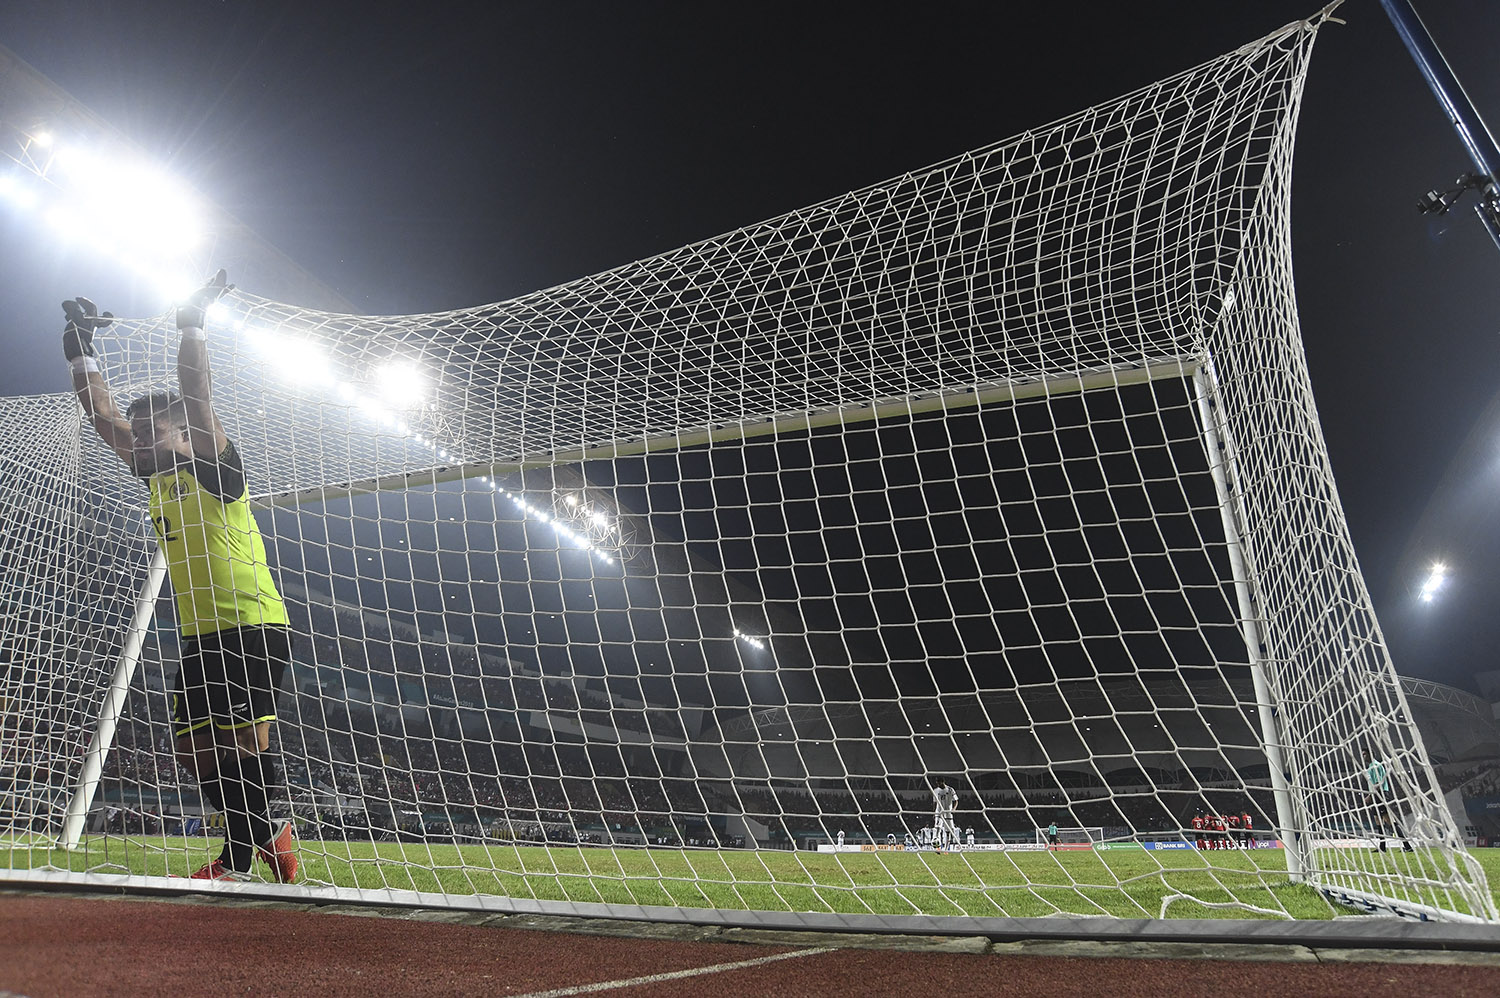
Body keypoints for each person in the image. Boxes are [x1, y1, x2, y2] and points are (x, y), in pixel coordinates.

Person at [64, 274, 298, 884]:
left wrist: (191, 322)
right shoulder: (153, 476)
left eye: (151, 432)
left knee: (243, 745)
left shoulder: (218, 469)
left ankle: (239, 861)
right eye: (138, 435)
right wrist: (79, 345)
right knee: (195, 751)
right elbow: (101, 413)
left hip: (251, 623)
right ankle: (270, 828)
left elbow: (197, 392)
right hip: (200, 633)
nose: (138, 440)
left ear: (185, 434)